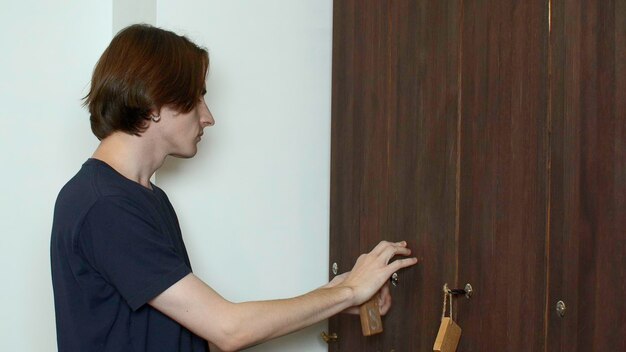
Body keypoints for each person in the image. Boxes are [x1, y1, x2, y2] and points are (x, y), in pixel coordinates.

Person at [50, 24, 418, 352]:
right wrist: (348, 292)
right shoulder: (105, 206)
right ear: (154, 102)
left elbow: (201, 331)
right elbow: (227, 330)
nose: (208, 116)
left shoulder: (146, 197)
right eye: (196, 98)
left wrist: (335, 294)